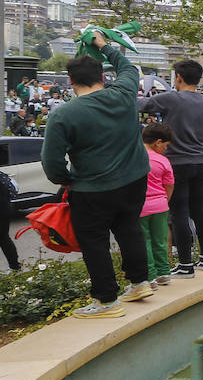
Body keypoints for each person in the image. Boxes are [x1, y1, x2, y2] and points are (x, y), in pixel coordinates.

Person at [41, 32, 152, 318]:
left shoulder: (63, 114)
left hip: (91, 189)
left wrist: (64, 179)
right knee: (129, 228)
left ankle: (106, 301)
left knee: (95, 242)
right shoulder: (124, 93)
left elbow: (51, 161)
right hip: (135, 179)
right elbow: (129, 68)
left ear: (71, 80)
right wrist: (104, 45)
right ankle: (140, 283)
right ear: (102, 76)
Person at [139, 60, 203, 276]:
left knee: (179, 214)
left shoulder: (171, 98)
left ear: (178, 78)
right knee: (200, 210)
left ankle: (186, 264)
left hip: (176, 164)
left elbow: (140, 105)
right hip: (201, 163)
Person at [140, 123, 176, 286]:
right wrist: (164, 200)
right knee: (160, 240)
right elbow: (169, 184)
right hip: (160, 205)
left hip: (139, 207)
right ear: (158, 142)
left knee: (144, 241)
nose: (166, 150)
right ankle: (163, 272)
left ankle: (150, 276)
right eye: (166, 146)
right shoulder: (163, 160)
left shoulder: (133, 157)